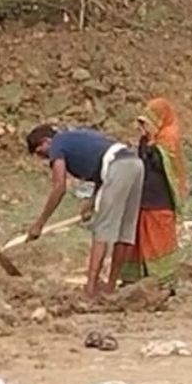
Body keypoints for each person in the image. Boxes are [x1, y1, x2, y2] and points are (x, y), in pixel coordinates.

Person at [24, 124, 144, 298]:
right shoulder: (76, 137)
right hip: (135, 163)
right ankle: (110, 287)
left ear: (45, 141)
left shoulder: (57, 144)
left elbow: (59, 187)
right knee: (125, 232)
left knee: (102, 231)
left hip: (117, 168)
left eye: (41, 152)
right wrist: (92, 201)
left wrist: (39, 224)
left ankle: (91, 288)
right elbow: (101, 163)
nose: (45, 159)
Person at [118, 98, 186, 291]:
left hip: (160, 200)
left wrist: (151, 145)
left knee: (158, 241)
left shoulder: (168, 138)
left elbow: (160, 164)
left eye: (147, 123)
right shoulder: (146, 140)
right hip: (143, 196)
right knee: (138, 239)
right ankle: (136, 279)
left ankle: (164, 282)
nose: (144, 127)